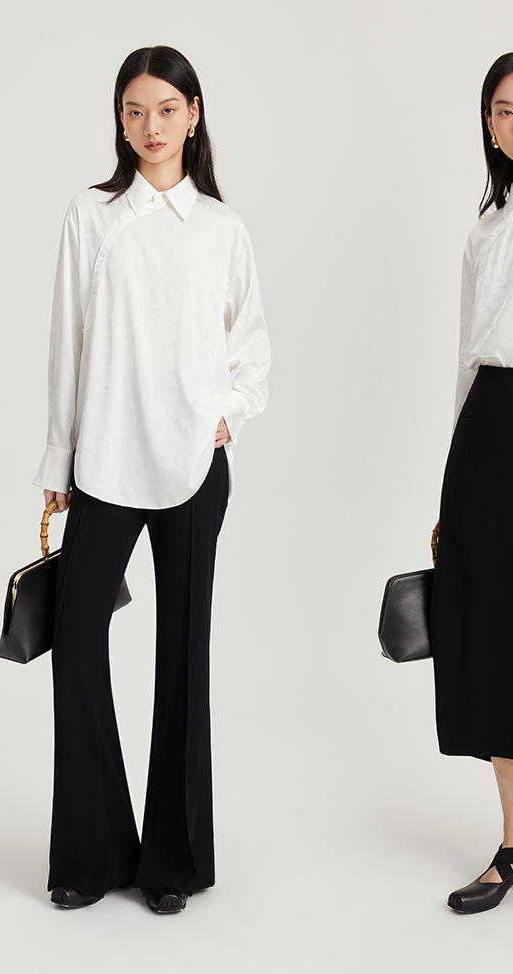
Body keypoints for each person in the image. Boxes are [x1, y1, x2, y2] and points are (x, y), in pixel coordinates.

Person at [32, 46, 270, 914]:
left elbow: (253, 346)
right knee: (76, 643)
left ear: (194, 114)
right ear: (120, 120)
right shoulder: (91, 216)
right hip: (105, 461)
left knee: (183, 657)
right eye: (134, 110)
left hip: (194, 466)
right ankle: (92, 854)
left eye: (166, 109)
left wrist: (227, 411)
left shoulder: (221, 227)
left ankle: (172, 863)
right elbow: (68, 343)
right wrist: (58, 460)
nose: (150, 126)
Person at [431, 51, 513, 915]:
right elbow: (468, 353)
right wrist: (452, 470)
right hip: (489, 427)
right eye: (503, 109)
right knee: (493, 630)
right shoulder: (487, 227)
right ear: (488, 125)